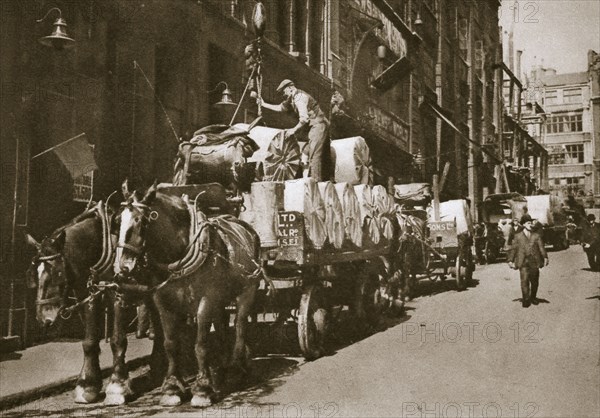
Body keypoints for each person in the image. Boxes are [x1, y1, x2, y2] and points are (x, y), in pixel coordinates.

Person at [258, 79, 331, 181]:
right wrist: (264, 104)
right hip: (313, 126)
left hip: (319, 125)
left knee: (314, 154)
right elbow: (281, 108)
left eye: (284, 92)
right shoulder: (291, 97)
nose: (284, 95)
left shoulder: (300, 98)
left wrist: (293, 130)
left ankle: (316, 183)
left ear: (290, 88)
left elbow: (304, 119)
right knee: (308, 152)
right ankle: (316, 179)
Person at [508, 214, 549, 308]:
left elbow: (541, 247)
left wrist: (545, 257)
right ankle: (526, 299)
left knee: (534, 281)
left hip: (534, 260)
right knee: (524, 280)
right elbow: (514, 249)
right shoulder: (518, 236)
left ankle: (533, 297)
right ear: (523, 224)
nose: (531, 224)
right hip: (523, 261)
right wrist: (510, 260)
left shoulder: (536, 235)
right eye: (528, 223)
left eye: (531, 223)